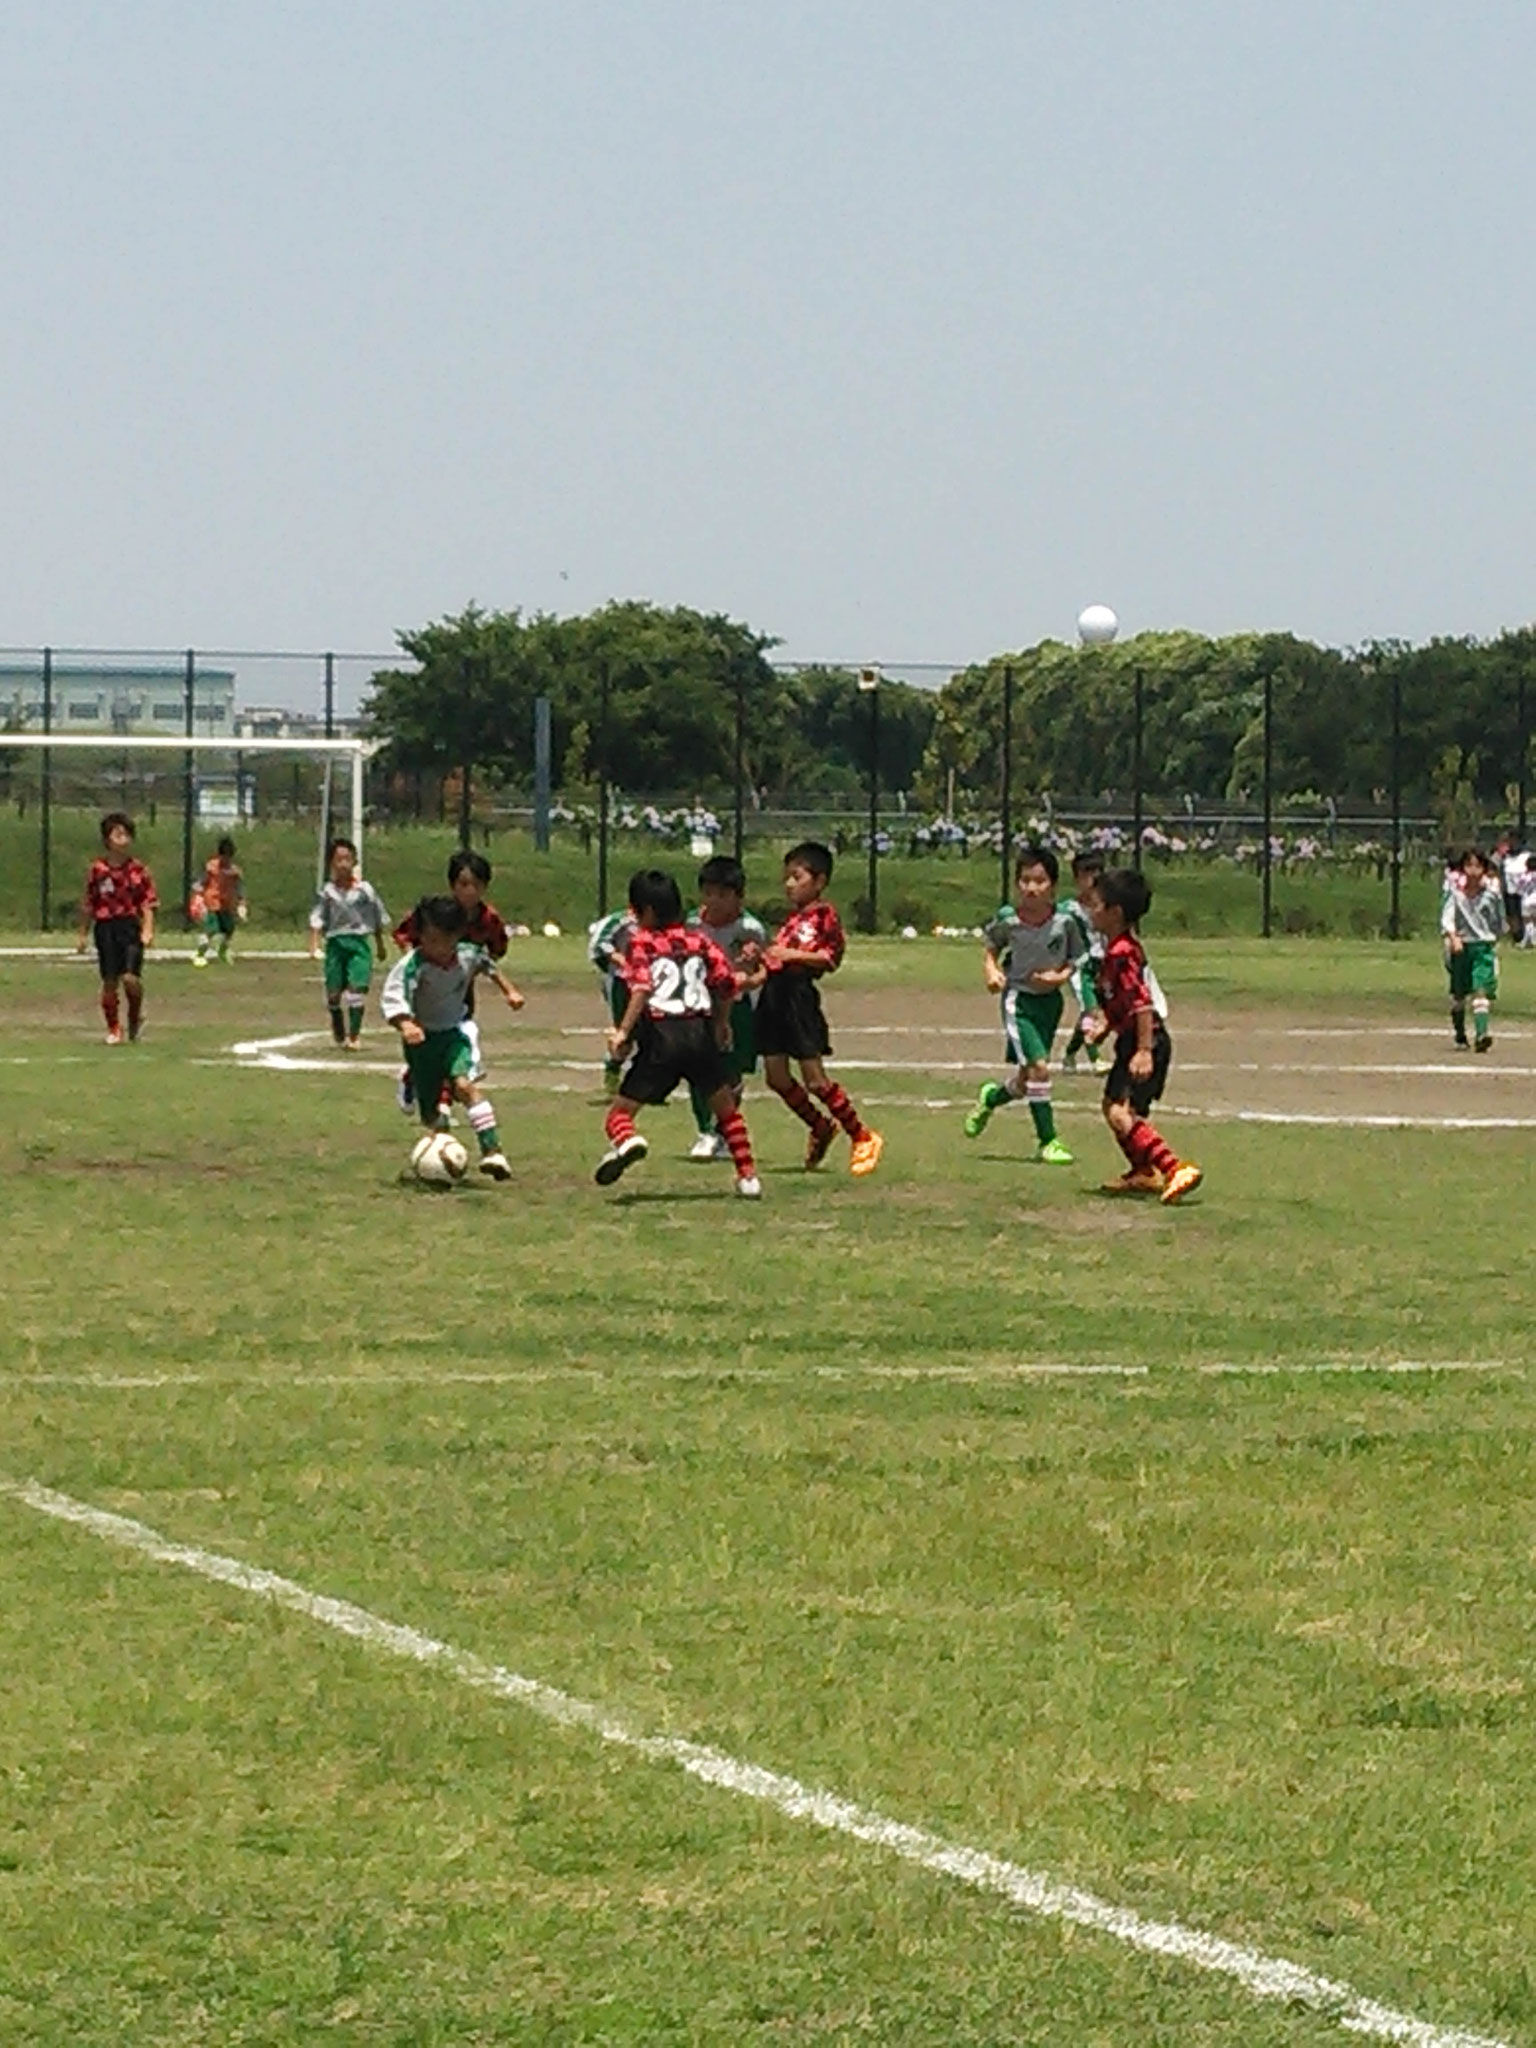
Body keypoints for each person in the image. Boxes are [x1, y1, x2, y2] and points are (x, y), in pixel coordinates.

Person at [596, 868, 762, 1199]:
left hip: (662, 1036)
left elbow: (642, 987)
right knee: (727, 1111)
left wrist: (622, 1032)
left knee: (619, 1114)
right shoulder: (700, 940)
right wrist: (721, 1024)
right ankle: (748, 1177)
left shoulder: (640, 942)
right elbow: (726, 984)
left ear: (645, 911)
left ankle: (627, 1141)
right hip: (699, 1033)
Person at [756, 841, 883, 1176]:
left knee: (815, 1080)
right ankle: (820, 1126)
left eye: (796, 877)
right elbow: (777, 957)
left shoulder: (824, 915)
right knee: (776, 1077)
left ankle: (862, 1135)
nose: (789, 884)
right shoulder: (793, 920)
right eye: (787, 878)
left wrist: (791, 957)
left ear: (819, 881)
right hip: (773, 998)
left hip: (797, 999)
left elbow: (829, 958)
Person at [1079, 866, 1202, 1204]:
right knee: (1117, 1108)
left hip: (1145, 1041)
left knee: (1120, 1112)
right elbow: (1122, 1003)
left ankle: (1174, 1167)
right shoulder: (1116, 949)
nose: (1091, 910)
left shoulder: (1122, 953)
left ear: (1115, 913)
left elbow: (1142, 1003)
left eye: (1097, 904)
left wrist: (1144, 1049)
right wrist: (1105, 1026)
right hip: (1132, 1041)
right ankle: (1142, 1171)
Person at [381, 895, 521, 1180]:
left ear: (456, 936)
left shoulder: (468, 954)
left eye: (442, 940)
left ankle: (492, 1151)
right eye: (428, 939)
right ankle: (414, 1084)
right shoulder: (413, 965)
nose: (435, 947)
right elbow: (393, 997)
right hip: (422, 1043)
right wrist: (406, 1024)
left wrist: (510, 991)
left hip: (454, 1034)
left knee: (464, 1085)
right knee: (434, 1119)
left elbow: (488, 965)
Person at [963, 844, 1082, 1162]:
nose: (1031, 888)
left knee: (1026, 1079)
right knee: (1040, 1069)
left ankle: (992, 1097)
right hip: (1019, 1002)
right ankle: (1048, 1141)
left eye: (1039, 881)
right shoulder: (1009, 919)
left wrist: (1058, 978)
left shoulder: (1065, 921)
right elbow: (991, 947)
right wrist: (991, 969)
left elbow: (1076, 959)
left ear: (1053, 886)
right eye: (1025, 880)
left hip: (1051, 1004)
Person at [393, 849, 510, 1116]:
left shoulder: (489, 918)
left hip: (459, 990)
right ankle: (417, 1081)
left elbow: (497, 949)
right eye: (464, 884)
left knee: (458, 1038)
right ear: (452, 885)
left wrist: (470, 967)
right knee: (430, 1043)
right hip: (426, 989)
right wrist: (420, 967)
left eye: (477, 885)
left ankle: (443, 1101)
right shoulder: (436, 914)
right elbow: (403, 934)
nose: (470, 891)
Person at [686, 854, 768, 1161]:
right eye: (708, 893)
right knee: (697, 1068)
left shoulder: (750, 929)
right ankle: (706, 1131)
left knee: (731, 1072)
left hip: (737, 1007)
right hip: (698, 1005)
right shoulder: (692, 923)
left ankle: (723, 1131)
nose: (714, 901)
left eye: (722, 895)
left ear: (739, 897)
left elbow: (761, 972)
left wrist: (744, 973)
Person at [76, 811, 157, 1044]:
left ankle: (134, 1017)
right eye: (117, 833)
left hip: (129, 926)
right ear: (107, 839)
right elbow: (89, 903)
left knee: (131, 978)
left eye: (126, 834)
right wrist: (82, 934)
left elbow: (147, 901)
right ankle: (114, 1028)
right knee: (110, 980)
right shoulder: (98, 869)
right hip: (105, 927)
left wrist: (148, 929)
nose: (123, 839)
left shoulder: (138, 869)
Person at [307, 837, 389, 1050]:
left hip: (358, 944)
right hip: (335, 943)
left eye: (347, 859)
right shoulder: (327, 892)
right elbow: (318, 918)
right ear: (331, 863)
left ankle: (354, 1036)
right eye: (338, 859)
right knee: (333, 994)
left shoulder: (364, 890)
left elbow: (376, 917)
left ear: (354, 862)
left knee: (356, 990)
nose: (343, 864)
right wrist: (314, 945)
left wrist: (380, 945)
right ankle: (338, 1024)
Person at [1443, 847, 1503, 1052]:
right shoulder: (1456, 895)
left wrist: (1495, 940)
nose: (1473, 870)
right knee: (1459, 997)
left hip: (1483, 948)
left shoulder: (1491, 896)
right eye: (1469, 865)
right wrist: (1453, 937)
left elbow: (1497, 922)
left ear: (1485, 870)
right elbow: (1447, 919)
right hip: (1462, 948)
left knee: (1480, 990)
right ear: (1462, 869)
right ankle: (1460, 1034)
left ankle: (1481, 1035)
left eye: (1478, 866)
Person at [1058, 851, 1105, 1072]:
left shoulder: (1105, 906)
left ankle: (1069, 1054)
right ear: (1077, 879)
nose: (1093, 880)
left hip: (1101, 965)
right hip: (1078, 967)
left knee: (1092, 1011)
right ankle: (1095, 1058)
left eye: (1097, 873)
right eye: (1087, 874)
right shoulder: (1068, 910)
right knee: (1091, 1009)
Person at [587, 905, 637, 1097]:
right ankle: (613, 1070)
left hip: (649, 981)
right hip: (621, 983)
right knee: (625, 1034)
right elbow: (599, 943)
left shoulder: (657, 921)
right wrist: (619, 958)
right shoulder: (619, 921)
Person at [191, 837, 246, 966]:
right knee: (211, 930)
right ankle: (199, 954)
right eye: (223, 855)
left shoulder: (235, 872)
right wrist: (198, 898)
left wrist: (242, 903)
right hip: (212, 903)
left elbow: (239, 888)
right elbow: (200, 883)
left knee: (228, 930)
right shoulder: (211, 867)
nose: (225, 859)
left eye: (228, 856)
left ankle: (222, 951)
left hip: (227, 905)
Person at [1494, 829, 1527, 942]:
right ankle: (1516, 936)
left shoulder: (1526, 857)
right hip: (1510, 892)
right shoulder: (1505, 858)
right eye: (1510, 841)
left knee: (1526, 915)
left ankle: (1527, 936)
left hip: (1525, 892)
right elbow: (1493, 865)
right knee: (1512, 914)